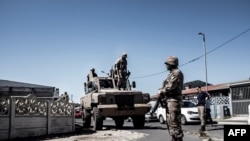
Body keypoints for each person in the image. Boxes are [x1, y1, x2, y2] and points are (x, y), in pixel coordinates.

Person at [158, 56, 184, 141]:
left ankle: (177, 139)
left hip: (174, 101)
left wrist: (162, 91)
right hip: (170, 101)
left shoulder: (176, 73)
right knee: (170, 123)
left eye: (167, 64)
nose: (166, 66)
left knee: (174, 122)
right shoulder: (171, 73)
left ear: (171, 64)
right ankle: (174, 138)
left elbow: (170, 86)